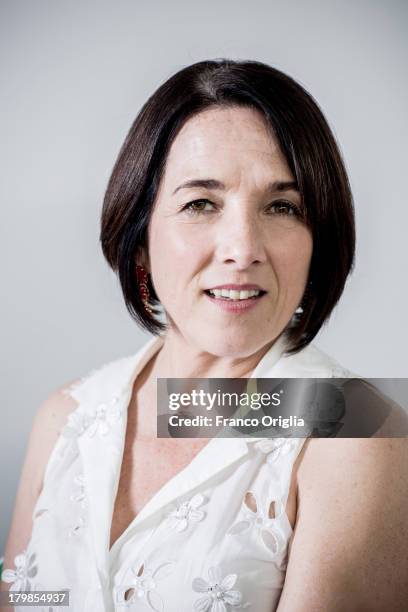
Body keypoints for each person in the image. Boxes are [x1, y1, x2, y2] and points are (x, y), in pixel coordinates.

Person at [1, 59, 407, 612]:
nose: (243, 248)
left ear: (319, 242)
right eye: (200, 204)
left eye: (282, 207)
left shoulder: (361, 431)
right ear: (139, 237)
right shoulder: (66, 417)